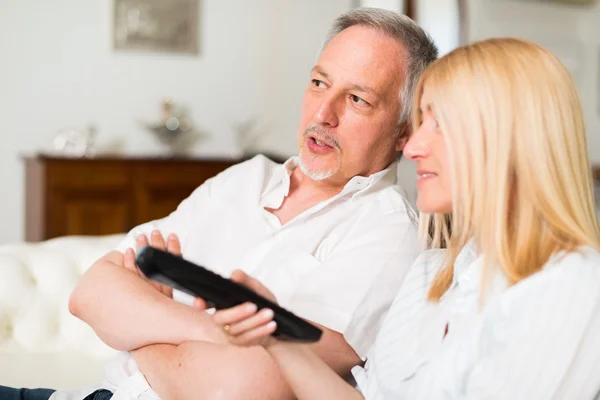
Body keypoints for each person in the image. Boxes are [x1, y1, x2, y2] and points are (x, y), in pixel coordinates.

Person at [0, 8, 439, 400]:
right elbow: (90, 293)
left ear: (404, 131)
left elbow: (238, 388)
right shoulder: (245, 180)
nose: (323, 114)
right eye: (319, 82)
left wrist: (141, 325)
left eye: (357, 99)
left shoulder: (389, 235)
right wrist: (212, 332)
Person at [211, 37, 600, 399]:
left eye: (441, 124)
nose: (412, 147)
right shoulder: (430, 274)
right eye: (420, 123)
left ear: (512, 139)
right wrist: (276, 334)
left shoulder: (573, 283)